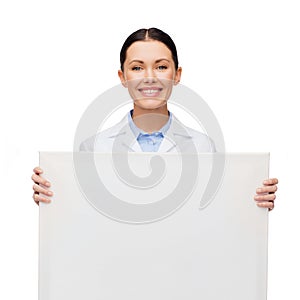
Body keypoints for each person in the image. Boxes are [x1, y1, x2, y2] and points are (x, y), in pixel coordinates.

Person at [31, 27, 278, 209]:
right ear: (123, 77)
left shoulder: (203, 146)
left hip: (183, 270)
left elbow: (216, 211)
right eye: (137, 68)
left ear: (177, 74)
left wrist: (253, 199)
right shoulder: (94, 148)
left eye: (161, 66)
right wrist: (51, 195)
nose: (149, 77)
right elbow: (81, 215)